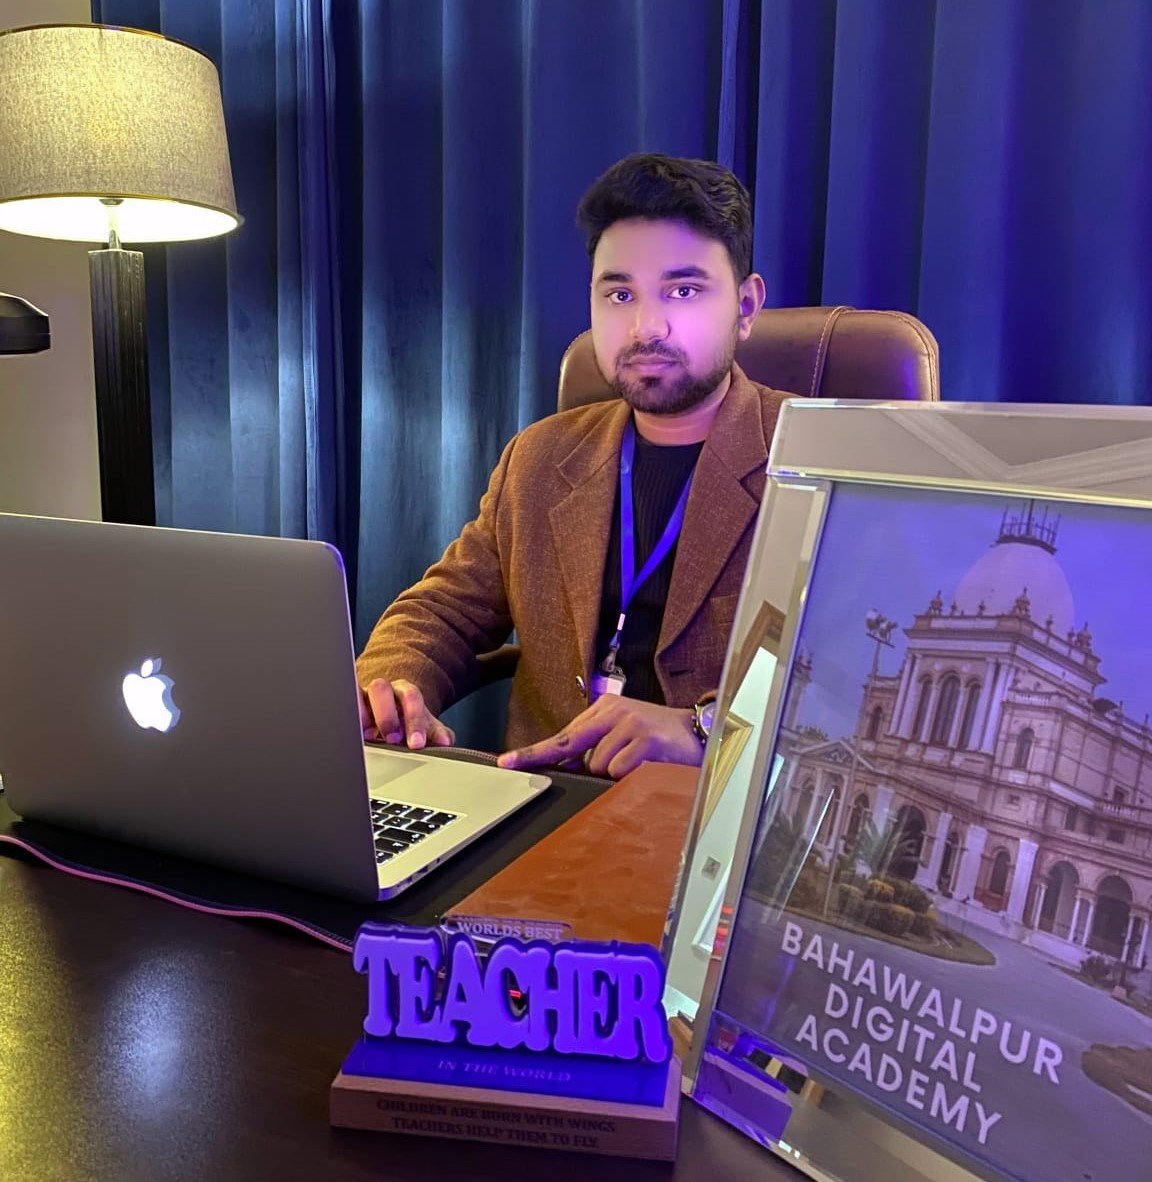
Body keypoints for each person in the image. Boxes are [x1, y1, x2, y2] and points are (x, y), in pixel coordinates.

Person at [356, 152, 787, 779]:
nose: (646, 326)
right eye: (619, 294)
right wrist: (392, 685)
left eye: (683, 290)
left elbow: (854, 676)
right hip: (543, 798)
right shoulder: (540, 456)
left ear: (745, 307)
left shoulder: (820, 462)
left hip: (713, 808)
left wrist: (706, 730)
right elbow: (445, 609)